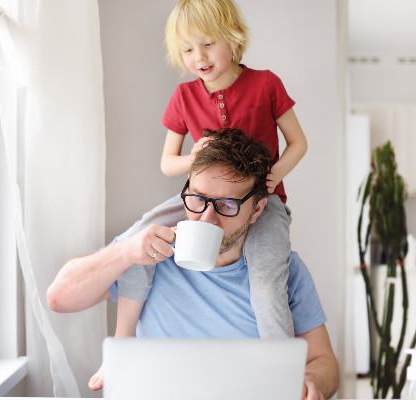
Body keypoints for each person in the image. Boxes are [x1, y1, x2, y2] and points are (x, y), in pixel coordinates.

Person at [47, 129, 338, 400]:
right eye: (198, 199)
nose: (207, 218)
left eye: (226, 205)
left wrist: (310, 381)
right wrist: (124, 252)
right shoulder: (147, 254)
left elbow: (324, 362)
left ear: (257, 209)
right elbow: (59, 297)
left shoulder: (283, 270)